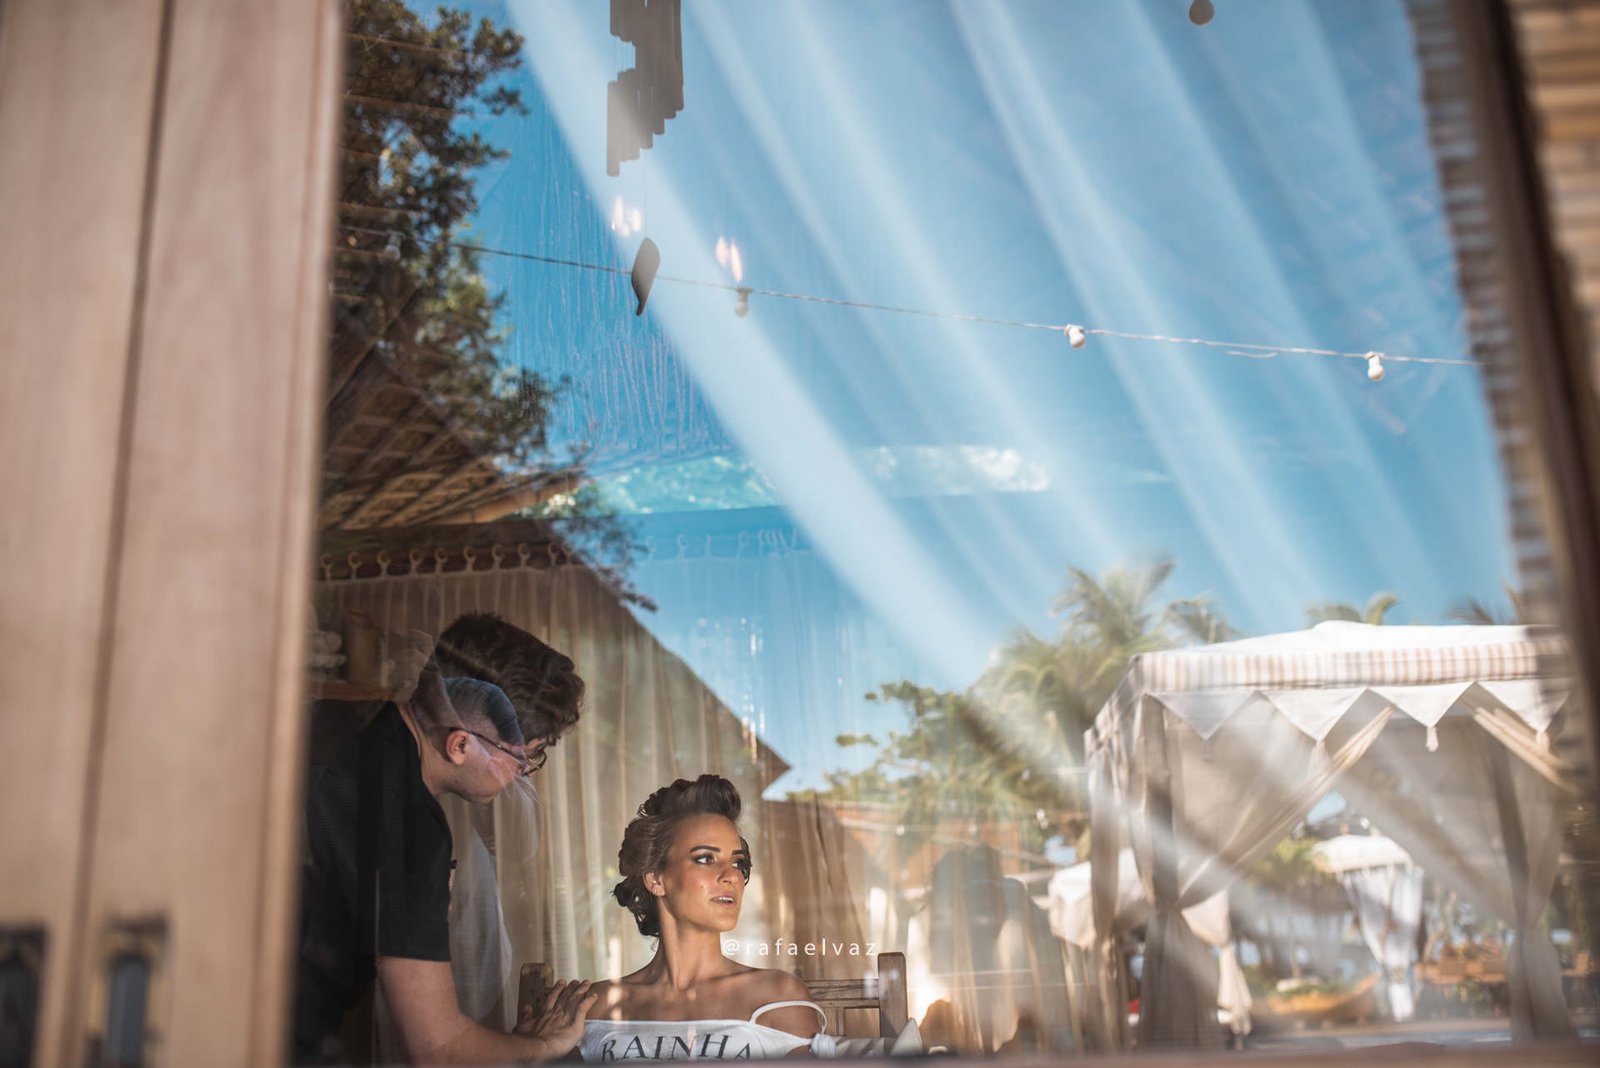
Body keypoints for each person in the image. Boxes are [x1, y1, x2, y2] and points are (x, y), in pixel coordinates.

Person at [293, 665, 595, 1064]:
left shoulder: (333, 719)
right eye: (519, 763)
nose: (519, 778)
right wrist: (542, 1047)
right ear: (459, 746)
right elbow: (439, 1051)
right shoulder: (413, 829)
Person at [580, 775, 830, 1061]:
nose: (731, 876)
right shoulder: (597, 1007)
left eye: (738, 863)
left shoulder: (777, 997)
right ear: (656, 879)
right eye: (705, 858)